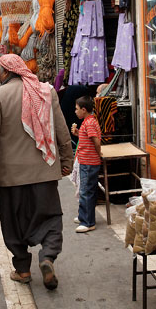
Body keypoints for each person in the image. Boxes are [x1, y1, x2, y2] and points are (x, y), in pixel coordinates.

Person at [0, 54, 73, 290]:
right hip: (44, 170)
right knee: (51, 217)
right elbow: (61, 129)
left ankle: (22, 270)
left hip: (11, 176)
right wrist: (67, 159)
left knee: (12, 223)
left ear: (6, 72)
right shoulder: (46, 92)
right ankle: (48, 256)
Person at [71, 95, 102, 233]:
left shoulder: (89, 123)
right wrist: (79, 134)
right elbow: (88, 138)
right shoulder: (87, 121)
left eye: (77, 109)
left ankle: (88, 222)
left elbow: (95, 140)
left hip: (89, 162)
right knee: (86, 190)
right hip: (86, 161)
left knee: (86, 191)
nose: (75, 111)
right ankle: (84, 216)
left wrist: (98, 152)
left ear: (84, 109)